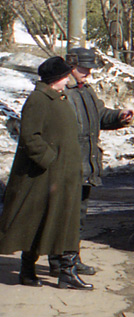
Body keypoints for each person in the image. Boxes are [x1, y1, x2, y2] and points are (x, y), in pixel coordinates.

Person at [0, 57, 91, 289]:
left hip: (64, 175)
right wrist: (50, 159)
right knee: (40, 222)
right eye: (64, 76)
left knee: (62, 222)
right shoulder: (38, 100)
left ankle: (64, 273)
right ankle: (32, 270)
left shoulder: (58, 98)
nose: (67, 80)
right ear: (55, 79)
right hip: (46, 176)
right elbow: (30, 136)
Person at [48, 47, 133, 278]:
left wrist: (118, 117)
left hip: (86, 162)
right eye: (84, 68)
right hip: (68, 163)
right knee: (64, 216)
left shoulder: (86, 91)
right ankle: (59, 262)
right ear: (71, 67)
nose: (88, 72)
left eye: (90, 68)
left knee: (79, 217)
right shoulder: (61, 92)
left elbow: (99, 116)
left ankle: (72, 258)